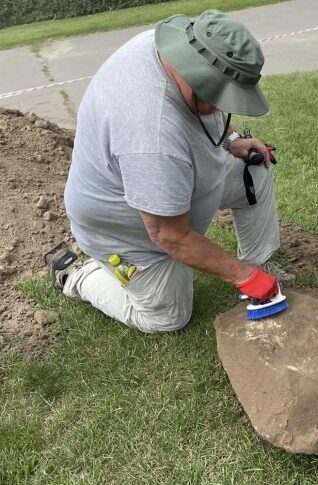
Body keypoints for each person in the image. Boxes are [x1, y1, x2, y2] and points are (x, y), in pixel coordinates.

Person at [45, 9, 294, 334]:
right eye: (219, 96)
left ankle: (260, 263)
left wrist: (231, 140)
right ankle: (78, 275)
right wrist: (241, 276)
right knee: (167, 317)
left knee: (254, 169)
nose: (221, 107)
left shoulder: (174, 51)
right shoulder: (152, 130)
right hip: (127, 227)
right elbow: (169, 234)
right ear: (195, 75)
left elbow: (205, 107)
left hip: (169, 184)